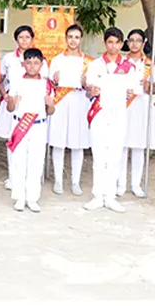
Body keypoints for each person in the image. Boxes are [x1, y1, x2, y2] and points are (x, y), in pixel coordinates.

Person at [85, 27, 135, 213]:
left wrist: (129, 93)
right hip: (99, 113)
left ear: (122, 44)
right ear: (105, 43)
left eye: (117, 42)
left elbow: (132, 91)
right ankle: (98, 196)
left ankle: (111, 196)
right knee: (99, 155)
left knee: (115, 156)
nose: (113, 46)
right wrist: (92, 91)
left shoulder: (129, 67)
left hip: (119, 113)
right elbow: (88, 91)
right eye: (110, 42)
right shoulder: (95, 65)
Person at [0, 25, 48, 190]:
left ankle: (31, 179)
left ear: (32, 39)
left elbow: (45, 83)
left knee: (32, 145)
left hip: (33, 109)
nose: (24, 40)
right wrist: (5, 95)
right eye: (21, 37)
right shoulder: (9, 58)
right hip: (14, 105)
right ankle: (13, 177)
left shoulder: (41, 59)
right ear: (16, 39)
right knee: (14, 140)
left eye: (27, 37)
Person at [6, 48, 55, 212]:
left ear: (41, 64)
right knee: (19, 161)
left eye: (36, 63)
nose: (32, 66)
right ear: (23, 64)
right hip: (20, 125)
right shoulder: (16, 81)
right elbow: (10, 108)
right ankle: (19, 197)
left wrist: (51, 104)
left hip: (38, 126)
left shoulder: (47, 85)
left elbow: (50, 111)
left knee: (36, 161)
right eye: (29, 63)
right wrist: (12, 101)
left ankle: (32, 197)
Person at [48, 24, 93, 196]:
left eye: (76, 37)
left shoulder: (88, 61)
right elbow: (50, 85)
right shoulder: (57, 60)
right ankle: (58, 180)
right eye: (70, 37)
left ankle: (75, 181)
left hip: (80, 101)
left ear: (81, 39)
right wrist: (55, 80)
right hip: (61, 102)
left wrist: (84, 84)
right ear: (65, 38)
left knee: (78, 143)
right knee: (58, 142)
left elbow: (91, 89)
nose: (73, 40)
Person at [119, 28, 151, 198]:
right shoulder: (121, 63)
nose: (134, 43)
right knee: (122, 146)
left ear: (143, 43)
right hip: (124, 107)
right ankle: (121, 183)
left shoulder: (149, 64)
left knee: (138, 147)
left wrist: (149, 87)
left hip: (142, 107)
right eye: (131, 40)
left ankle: (136, 184)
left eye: (138, 40)